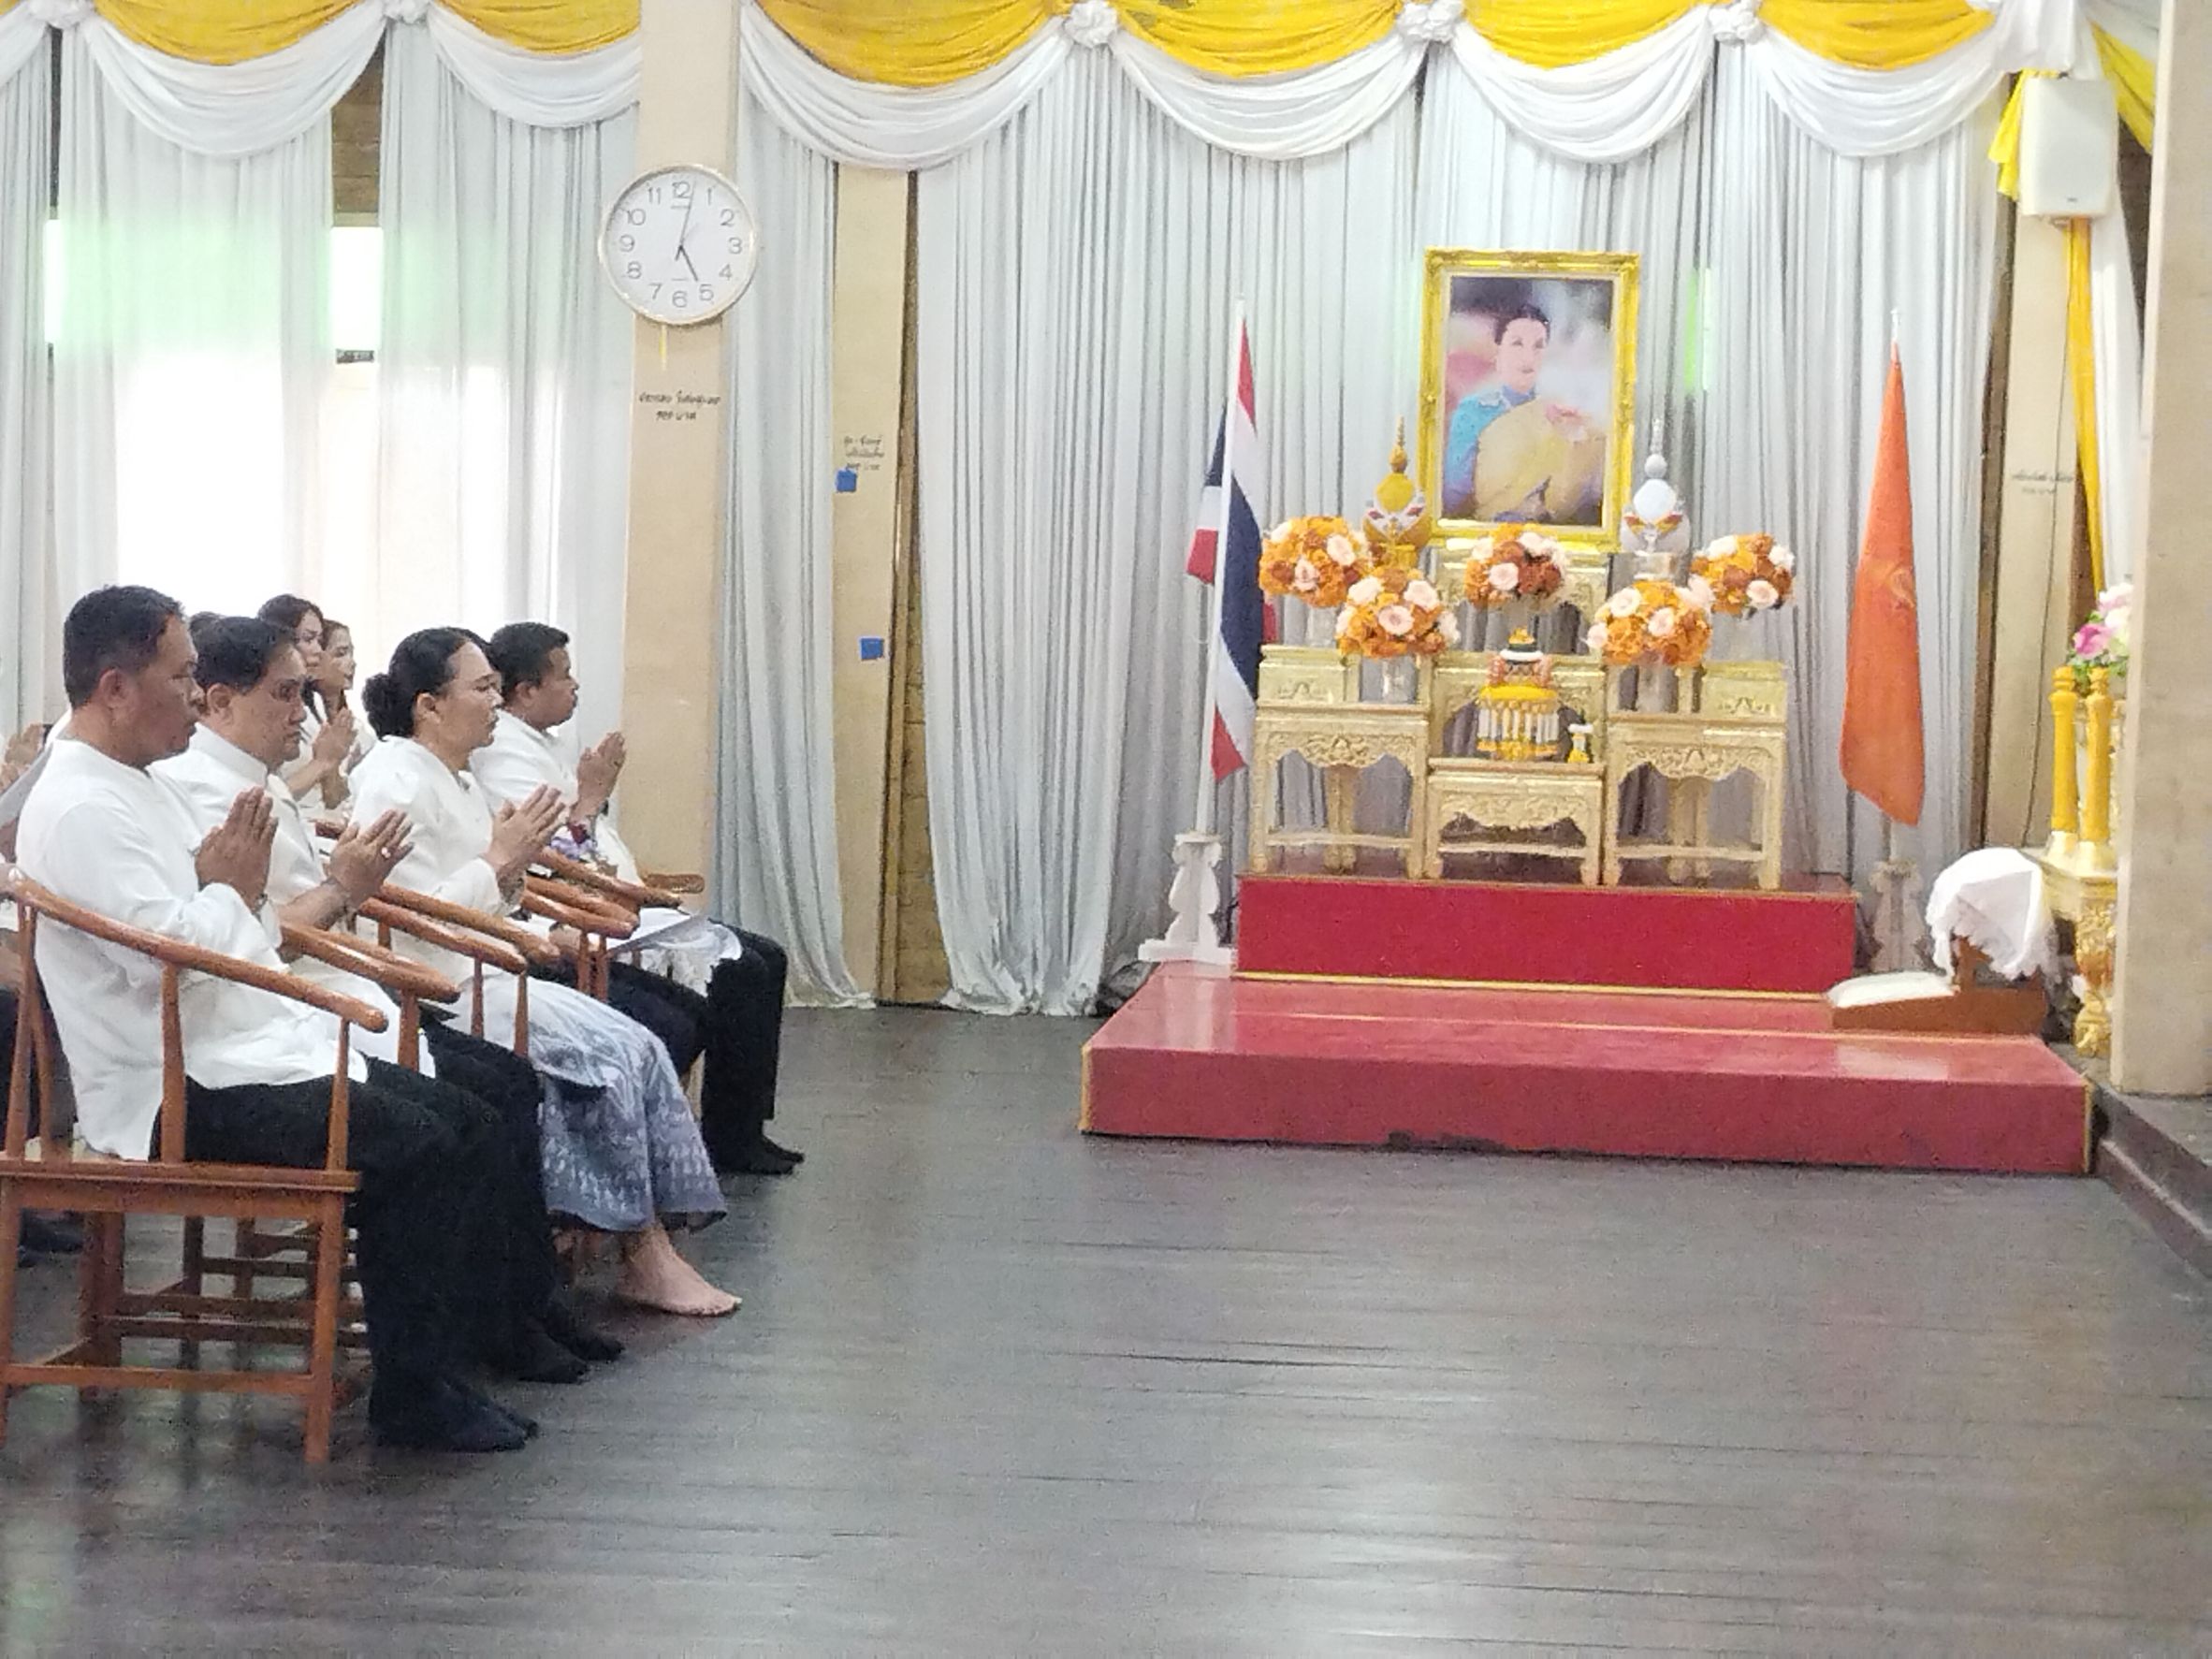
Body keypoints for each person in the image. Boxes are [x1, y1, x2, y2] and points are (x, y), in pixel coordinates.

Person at [17, 586, 534, 1452]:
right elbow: (164, 966)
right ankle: (413, 1392)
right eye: (182, 677)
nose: (194, 693)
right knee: (422, 1144)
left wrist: (233, 894)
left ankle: (449, 1361)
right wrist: (231, 888)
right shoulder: (80, 804)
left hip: (237, 1043)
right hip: (169, 1084)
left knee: (470, 1117)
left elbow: (237, 928)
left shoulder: (137, 785)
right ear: (115, 686)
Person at [156, 616, 619, 1382]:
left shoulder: (257, 779)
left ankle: (520, 1305)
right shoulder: (204, 788)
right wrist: (346, 888)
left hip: (328, 987)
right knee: (471, 1105)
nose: (304, 713)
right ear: (219, 701)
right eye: (287, 693)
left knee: (504, 1086)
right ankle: (472, 1338)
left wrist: (350, 886)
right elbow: (246, 935)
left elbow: (279, 916)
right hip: (284, 1009)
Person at [349, 628, 739, 1317]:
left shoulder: (455, 776)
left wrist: (527, 912)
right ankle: (638, 1250)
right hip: (436, 990)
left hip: (488, 968)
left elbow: (491, 895)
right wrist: (499, 863)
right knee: (607, 1060)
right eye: (481, 688)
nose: (495, 701)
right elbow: (399, 917)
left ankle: (647, 1247)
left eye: (497, 687)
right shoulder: (395, 779)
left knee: (639, 1043)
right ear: (429, 706)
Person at [475, 622, 800, 1176]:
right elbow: (553, 855)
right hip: (570, 912)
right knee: (744, 969)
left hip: (612, 901)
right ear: (526, 691)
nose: (575, 686)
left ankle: (739, 1127)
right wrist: (594, 800)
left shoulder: (540, 742)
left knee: (766, 957)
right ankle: (711, 1138)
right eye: (564, 674)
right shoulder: (504, 753)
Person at [1441, 301, 1604, 525]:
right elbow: (1455, 493)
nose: (1528, 356)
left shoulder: (1561, 412)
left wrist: (1574, 440)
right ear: (1498, 349)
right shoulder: (1474, 410)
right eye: (1517, 344)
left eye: (1538, 346)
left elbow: (1571, 502)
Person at [257, 595, 357, 804]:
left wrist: (333, 761)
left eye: (320, 641)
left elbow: (331, 799)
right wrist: (322, 762)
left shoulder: (315, 705)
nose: (318, 651)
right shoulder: (260, 705)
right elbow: (264, 798)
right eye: (308, 639)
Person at [304, 616, 373, 808]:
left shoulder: (357, 727)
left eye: (351, 654)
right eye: (341, 654)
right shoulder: (301, 721)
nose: (352, 663)